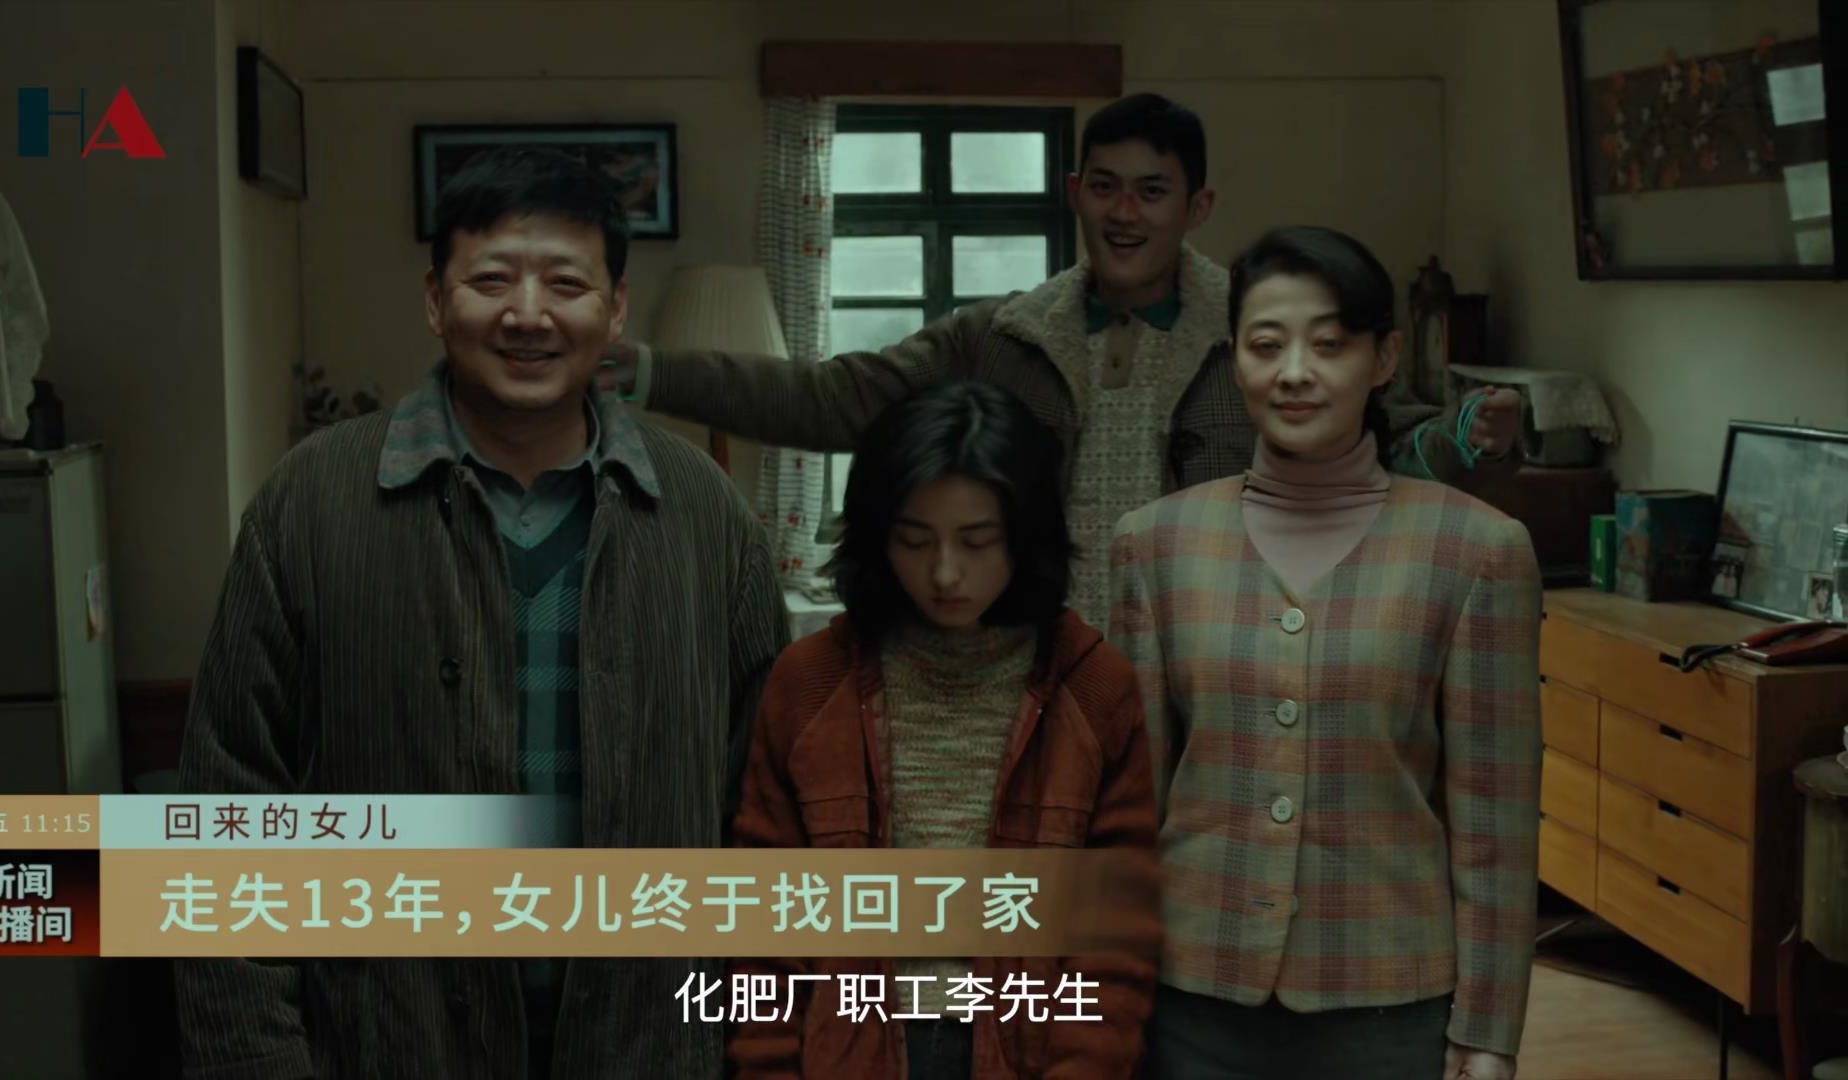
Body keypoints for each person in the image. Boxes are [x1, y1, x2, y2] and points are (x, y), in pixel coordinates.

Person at [174, 147, 790, 1079]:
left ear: (615, 308)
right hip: (384, 1044)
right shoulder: (312, 502)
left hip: (650, 1042)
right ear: (436, 300)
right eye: (492, 279)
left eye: (566, 284)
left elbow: (765, 820)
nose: (528, 314)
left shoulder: (703, 514)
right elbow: (229, 806)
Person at [598, 93, 1524, 626]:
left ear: (1197, 206)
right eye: (1107, 188)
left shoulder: (1255, 333)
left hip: (1219, 659)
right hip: (1035, 664)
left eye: (1153, 192)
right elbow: (833, 397)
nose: (1126, 214)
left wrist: (1467, 435)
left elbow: (1381, 439)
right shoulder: (999, 336)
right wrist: (645, 368)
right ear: (1076, 194)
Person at [1109, 226, 1541, 1080]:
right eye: (1266, 345)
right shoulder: (1155, 544)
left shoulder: (1476, 550)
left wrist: (1489, 1029)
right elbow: (1132, 803)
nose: (1295, 372)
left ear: (1384, 359)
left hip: (1388, 998)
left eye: (1330, 344)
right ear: (1235, 358)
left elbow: (1495, 820)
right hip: (1191, 992)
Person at [728, 381, 1161, 1078]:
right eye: (914, 539)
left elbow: (1116, 935)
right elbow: (765, 924)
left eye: (978, 541)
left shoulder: (1093, 686)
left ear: (1025, 537)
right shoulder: (810, 683)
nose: (945, 573)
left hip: (1027, 1048)